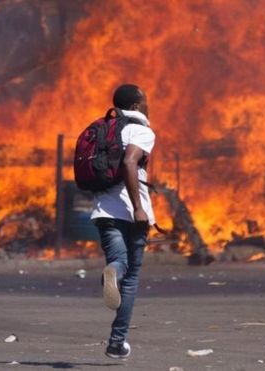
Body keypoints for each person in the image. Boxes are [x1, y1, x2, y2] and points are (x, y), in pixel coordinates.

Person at [90, 84, 155, 359]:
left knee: (118, 262)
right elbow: (130, 162)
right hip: (131, 214)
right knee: (129, 280)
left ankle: (112, 271)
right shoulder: (141, 130)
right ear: (138, 106)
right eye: (146, 101)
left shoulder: (105, 129)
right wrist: (139, 208)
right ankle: (117, 342)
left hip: (104, 211)